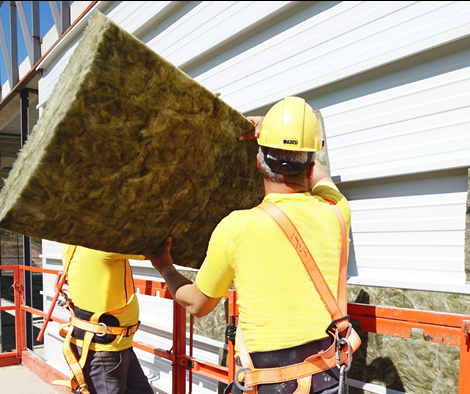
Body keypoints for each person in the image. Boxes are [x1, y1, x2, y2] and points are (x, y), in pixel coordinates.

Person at [145, 96, 359, 394]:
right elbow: (318, 173)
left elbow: (197, 303)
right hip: (328, 380)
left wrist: (164, 265)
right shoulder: (337, 212)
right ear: (310, 165)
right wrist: (284, 137)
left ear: (259, 162)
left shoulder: (237, 227)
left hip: (269, 385)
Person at [57, 245, 153, 394]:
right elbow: (155, 249)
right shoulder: (102, 243)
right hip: (104, 352)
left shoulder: (73, 244)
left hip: (114, 346)